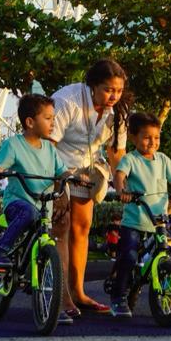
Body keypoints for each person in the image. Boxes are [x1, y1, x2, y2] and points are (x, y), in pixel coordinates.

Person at [46, 59, 130, 318]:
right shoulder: (67, 101)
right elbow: (47, 144)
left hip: (87, 168)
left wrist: (123, 185)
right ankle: (62, 297)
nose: (114, 96)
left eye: (118, 90)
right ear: (92, 85)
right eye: (108, 89)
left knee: (82, 227)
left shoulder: (118, 113)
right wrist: (58, 189)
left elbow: (117, 152)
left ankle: (78, 291)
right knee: (61, 226)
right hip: (54, 164)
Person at [0, 93, 72, 319]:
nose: (53, 123)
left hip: (43, 210)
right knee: (28, 212)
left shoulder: (50, 150)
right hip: (18, 205)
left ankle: (50, 303)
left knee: (46, 247)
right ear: (30, 122)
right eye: (48, 118)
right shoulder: (13, 145)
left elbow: (63, 171)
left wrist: (74, 177)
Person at [109, 111, 171, 317]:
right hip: (134, 221)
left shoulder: (163, 160)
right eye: (147, 137)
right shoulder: (130, 159)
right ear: (133, 137)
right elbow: (119, 176)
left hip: (158, 221)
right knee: (129, 256)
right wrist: (122, 191)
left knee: (165, 252)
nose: (153, 142)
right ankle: (118, 296)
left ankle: (151, 285)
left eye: (156, 137)